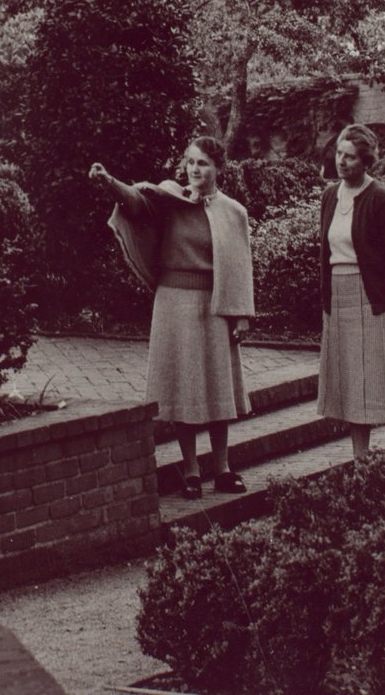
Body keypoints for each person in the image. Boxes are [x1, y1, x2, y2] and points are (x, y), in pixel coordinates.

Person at [89, 136, 254, 499]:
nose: (195, 170)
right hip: (174, 303)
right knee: (184, 388)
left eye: (204, 164)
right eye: (191, 162)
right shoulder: (168, 200)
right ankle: (192, 471)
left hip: (215, 306)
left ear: (219, 169)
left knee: (216, 389)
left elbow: (241, 265)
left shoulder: (233, 212)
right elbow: (135, 202)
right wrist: (109, 181)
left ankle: (223, 468)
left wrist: (241, 314)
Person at [317, 123, 385, 459]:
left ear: (366, 161)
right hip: (340, 297)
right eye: (339, 154)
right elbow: (325, 254)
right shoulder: (330, 196)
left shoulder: (380, 198)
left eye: (351, 157)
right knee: (353, 384)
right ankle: (361, 462)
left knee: (380, 378)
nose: (342, 162)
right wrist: (325, 301)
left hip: (374, 299)